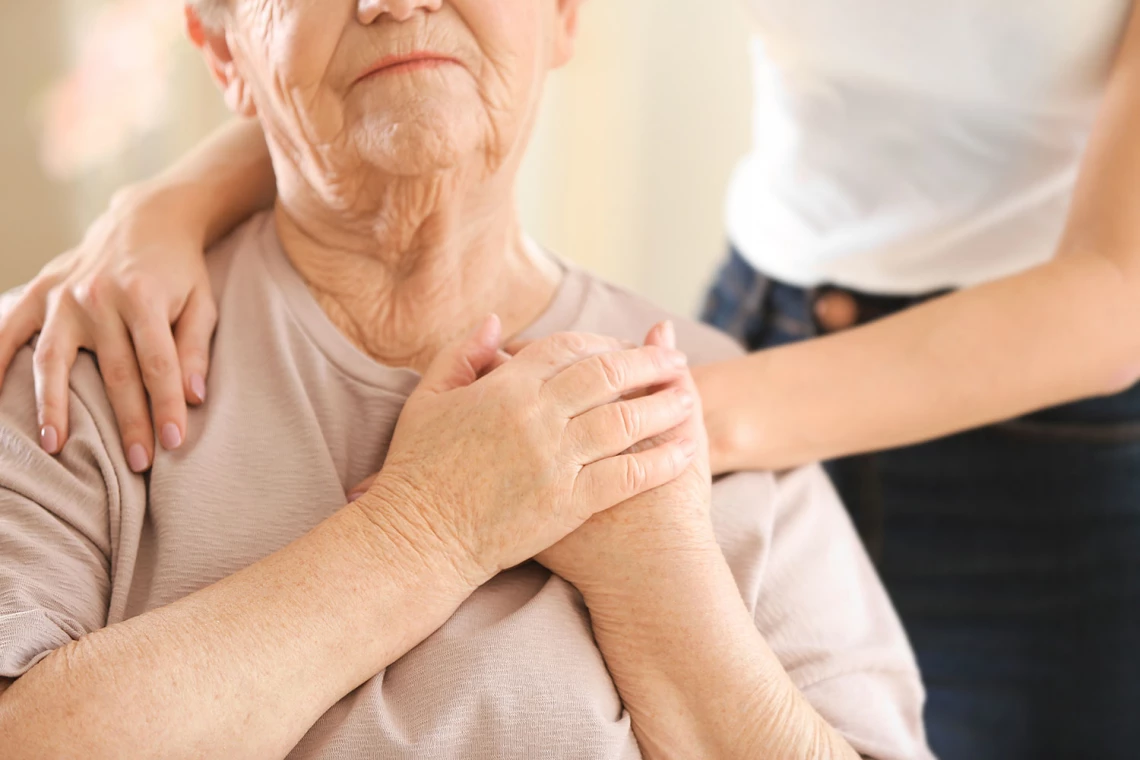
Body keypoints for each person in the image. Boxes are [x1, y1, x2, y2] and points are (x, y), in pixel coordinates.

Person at [7, 2, 1140, 758]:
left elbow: (1116, 293)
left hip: (1051, 393)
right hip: (779, 289)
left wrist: (622, 437)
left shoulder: (693, 406)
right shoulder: (93, 363)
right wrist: (433, 524)